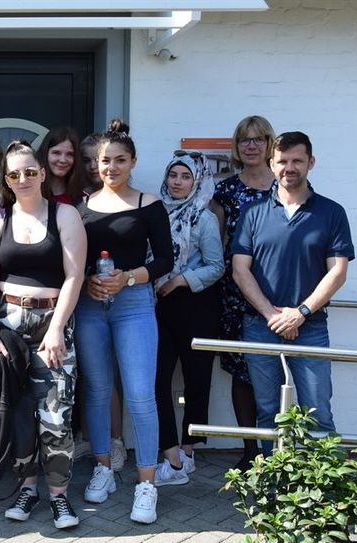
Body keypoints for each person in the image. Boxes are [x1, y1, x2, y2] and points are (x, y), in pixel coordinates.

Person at [0, 140, 86, 529]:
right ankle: (27, 488)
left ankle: (59, 495)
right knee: (20, 412)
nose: (22, 178)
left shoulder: (65, 215)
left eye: (28, 171)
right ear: (6, 180)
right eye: (13, 174)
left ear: (42, 173)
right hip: (8, 326)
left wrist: (57, 328)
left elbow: (75, 275)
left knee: (56, 414)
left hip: (51, 324)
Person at [74, 119, 173, 524]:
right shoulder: (81, 207)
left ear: (133, 162)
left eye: (119, 160)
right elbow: (70, 262)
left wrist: (128, 277)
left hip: (134, 303)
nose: (111, 168)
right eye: (104, 161)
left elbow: (165, 260)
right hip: (90, 306)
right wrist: (85, 284)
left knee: (139, 394)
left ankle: (146, 483)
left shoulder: (148, 204)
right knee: (97, 391)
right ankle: (103, 466)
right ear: (95, 165)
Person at [232, 131, 353, 454]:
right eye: (282, 161)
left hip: (310, 328)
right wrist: (272, 314)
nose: (289, 167)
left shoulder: (331, 212)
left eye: (297, 160)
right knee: (267, 413)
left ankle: (325, 495)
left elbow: (338, 271)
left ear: (310, 163)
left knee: (319, 414)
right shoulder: (253, 213)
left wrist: (300, 313)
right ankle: (274, 492)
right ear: (272, 164)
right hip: (261, 326)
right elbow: (239, 270)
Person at [152, 151, 224, 487]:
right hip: (158, 304)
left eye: (185, 177)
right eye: (173, 175)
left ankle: (188, 452)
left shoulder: (204, 217)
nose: (178, 182)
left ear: (198, 180)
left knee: (196, 381)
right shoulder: (155, 211)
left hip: (194, 304)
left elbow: (216, 267)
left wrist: (181, 279)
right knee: (157, 381)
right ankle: (170, 455)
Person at [210, 115, 276, 469]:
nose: (251, 146)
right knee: (242, 372)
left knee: (275, 373)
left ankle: (276, 453)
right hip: (235, 293)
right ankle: (250, 451)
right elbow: (216, 243)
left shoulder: (285, 188)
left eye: (258, 139)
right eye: (245, 140)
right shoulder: (226, 191)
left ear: (270, 144)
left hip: (280, 292)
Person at [75, 129, 125, 470]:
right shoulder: (73, 199)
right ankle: (84, 439)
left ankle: (114, 441)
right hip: (79, 292)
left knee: (108, 377)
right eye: (90, 159)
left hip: (115, 292)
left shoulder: (121, 197)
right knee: (85, 375)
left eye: (102, 159)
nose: (97, 165)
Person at [36, 127, 86, 205]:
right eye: (56, 153)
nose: (63, 160)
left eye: (69, 154)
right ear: (45, 154)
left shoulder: (83, 199)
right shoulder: (32, 195)